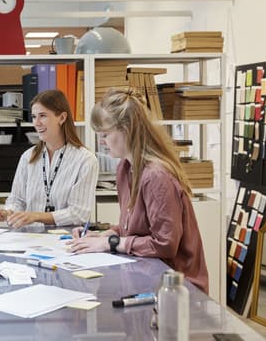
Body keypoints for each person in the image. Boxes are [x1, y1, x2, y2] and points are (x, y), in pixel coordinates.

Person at [67, 87, 209, 293]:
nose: (101, 142)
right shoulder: (125, 168)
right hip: (148, 275)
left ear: (128, 129)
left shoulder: (156, 177)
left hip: (177, 288)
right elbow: (136, 227)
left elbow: (165, 244)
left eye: (105, 134)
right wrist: (103, 235)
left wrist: (110, 243)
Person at [0, 89, 98, 228]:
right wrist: (7, 212)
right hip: (31, 239)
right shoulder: (28, 157)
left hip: (66, 241)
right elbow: (17, 200)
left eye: (43, 116)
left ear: (62, 118)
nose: (36, 123)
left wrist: (36, 216)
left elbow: (78, 213)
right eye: (34, 117)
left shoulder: (85, 160)